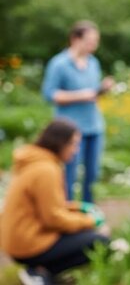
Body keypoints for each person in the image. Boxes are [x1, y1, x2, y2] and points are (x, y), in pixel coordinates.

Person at [0, 119, 110, 285]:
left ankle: (39, 271)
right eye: (73, 144)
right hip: (28, 243)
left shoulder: (35, 161)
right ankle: (40, 272)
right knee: (100, 241)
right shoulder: (46, 169)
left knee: (82, 233)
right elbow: (53, 218)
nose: (76, 150)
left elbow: (44, 206)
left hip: (17, 238)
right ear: (60, 142)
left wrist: (76, 208)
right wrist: (89, 221)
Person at [41, 20, 114, 203]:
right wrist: (82, 95)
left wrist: (101, 89)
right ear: (75, 39)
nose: (93, 46)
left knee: (92, 174)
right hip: (70, 128)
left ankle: (88, 212)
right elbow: (50, 94)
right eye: (89, 41)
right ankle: (67, 210)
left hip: (93, 125)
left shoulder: (93, 63)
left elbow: (92, 94)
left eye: (95, 41)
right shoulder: (59, 64)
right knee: (70, 174)